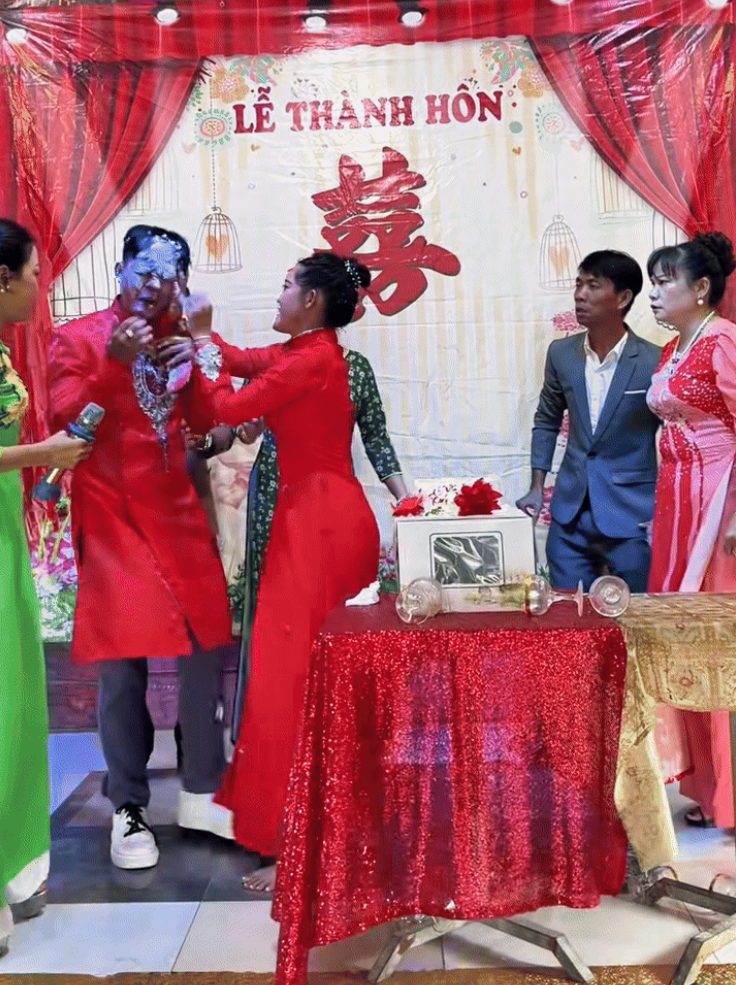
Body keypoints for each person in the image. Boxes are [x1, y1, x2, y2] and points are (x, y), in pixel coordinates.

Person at [170, 252, 381, 894]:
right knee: (302, 677)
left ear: (312, 301)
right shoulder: (310, 353)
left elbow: (230, 407)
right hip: (319, 519)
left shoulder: (310, 361)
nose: (280, 292)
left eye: (288, 285)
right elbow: (242, 360)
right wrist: (205, 338)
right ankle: (323, 834)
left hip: (317, 529)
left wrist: (202, 357)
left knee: (294, 681)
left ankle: (303, 846)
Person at [47, 225, 234, 872]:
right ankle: (128, 804)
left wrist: (201, 355)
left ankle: (203, 786)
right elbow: (67, 422)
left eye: (170, 275)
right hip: (112, 514)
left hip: (178, 512)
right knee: (123, 661)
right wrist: (113, 363)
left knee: (205, 644)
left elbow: (209, 422)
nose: (156, 286)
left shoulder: (180, 334)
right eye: (145, 271)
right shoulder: (80, 338)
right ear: (120, 270)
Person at [221, 347, 408, 741]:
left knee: (331, 605)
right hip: (274, 496)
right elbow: (244, 428)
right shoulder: (270, 362)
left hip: (330, 502)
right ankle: (275, 728)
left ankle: (338, 724)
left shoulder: (356, 368)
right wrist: (249, 426)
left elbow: (376, 438)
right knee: (278, 608)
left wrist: (405, 499)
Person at [0, 219, 92, 956]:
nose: (41, 287)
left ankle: (16, 865)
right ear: (3, 279)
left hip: (5, 536)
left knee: (20, 698)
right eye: (35, 274)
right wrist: (44, 451)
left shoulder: (2, 346)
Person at [647, 231, 736, 828]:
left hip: (719, 503)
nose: (654, 293)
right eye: (652, 282)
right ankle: (707, 787)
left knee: (718, 643)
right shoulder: (672, 349)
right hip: (677, 503)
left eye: (665, 282)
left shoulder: (723, 341)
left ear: (701, 288)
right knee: (683, 639)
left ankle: (730, 792)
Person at [516, 250, 661, 592]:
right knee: (569, 612)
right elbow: (547, 419)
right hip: (571, 516)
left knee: (639, 615)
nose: (580, 295)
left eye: (593, 286)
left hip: (632, 516)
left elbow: (674, 434)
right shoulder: (561, 354)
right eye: (578, 284)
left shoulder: (654, 361)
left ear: (623, 298)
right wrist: (537, 487)